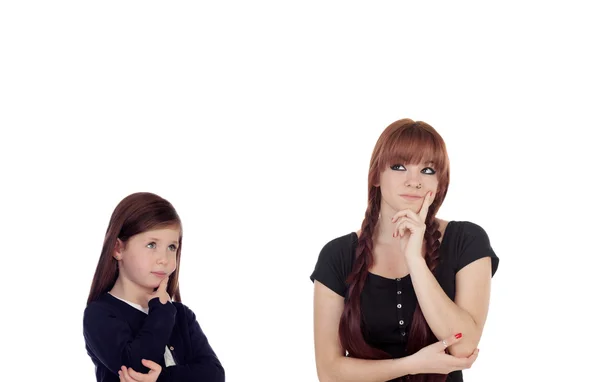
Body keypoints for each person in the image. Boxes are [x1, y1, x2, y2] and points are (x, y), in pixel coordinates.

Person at [310, 119, 499, 382]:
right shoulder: (337, 255)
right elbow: (329, 373)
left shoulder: (467, 240)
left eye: (428, 170)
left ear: (440, 182)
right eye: (399, 167)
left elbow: (462, 347)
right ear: (376, 176)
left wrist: (415, 260)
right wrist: (410, 365)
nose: (414, 181)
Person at [83, 192, 225, 382]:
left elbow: (214, 375)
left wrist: (162, 379)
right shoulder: (100, 314)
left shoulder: (181, 315)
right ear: (118, 249)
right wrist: (162, 312)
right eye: (151, 245)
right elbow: (137, 366)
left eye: (172, 247)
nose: (164, 259)